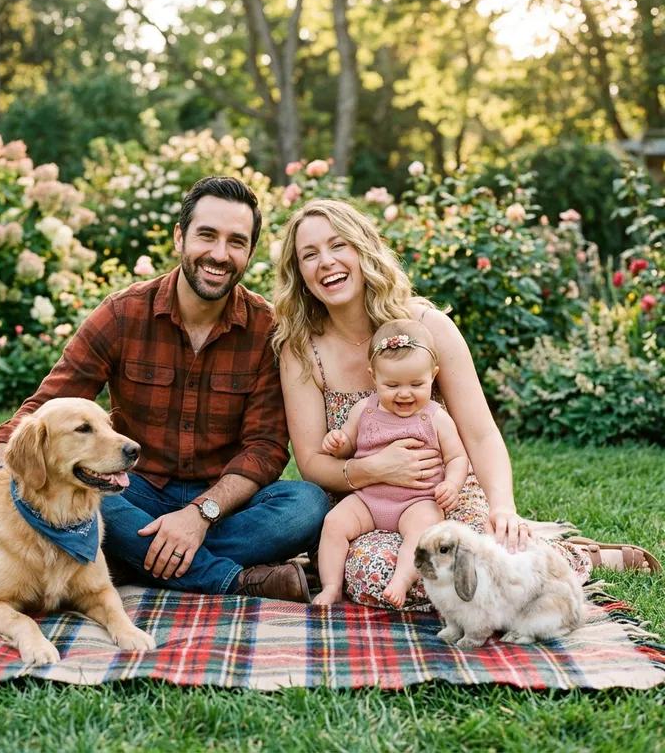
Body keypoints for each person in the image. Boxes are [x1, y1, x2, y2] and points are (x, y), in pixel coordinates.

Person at [272, 198, 659, 609]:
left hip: (443, 496)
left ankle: (579, 555)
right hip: (366, 506)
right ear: (300, 273)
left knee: (478, 558)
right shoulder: (302, 349)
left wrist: (503, 507)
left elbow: (479, 433)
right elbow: (312, 462)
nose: (326, 262)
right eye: (309, 255)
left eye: (338, 246)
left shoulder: (428, 327)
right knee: (375, 572)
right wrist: (373, 468)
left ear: (362, 250)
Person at [0, 176, 330, 603]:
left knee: (306, 504)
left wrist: (198, 515)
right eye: (206, 236)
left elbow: (264, 447)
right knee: (90, 501)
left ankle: (133, 558)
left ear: (249, 252)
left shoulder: (267, 330)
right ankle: (235, 580)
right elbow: (43, 406)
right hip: (130, 488)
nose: (219, 254)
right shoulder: (122, 315)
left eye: (236, 242)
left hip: (222, 504)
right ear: (179, 236)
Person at [315, 319, 468, 607]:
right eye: (392, 384)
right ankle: (331, 586)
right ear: (374, 377)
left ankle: (401, 579)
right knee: (334, 523)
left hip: (417, 501)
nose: (404, 393)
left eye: (416, 384)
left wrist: (451, 483)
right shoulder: (364, 409)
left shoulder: (435, 418)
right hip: (369, 499)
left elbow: (457, 456)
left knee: (423, 530)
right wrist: (338, 442)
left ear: (433, 376)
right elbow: (348, 442)